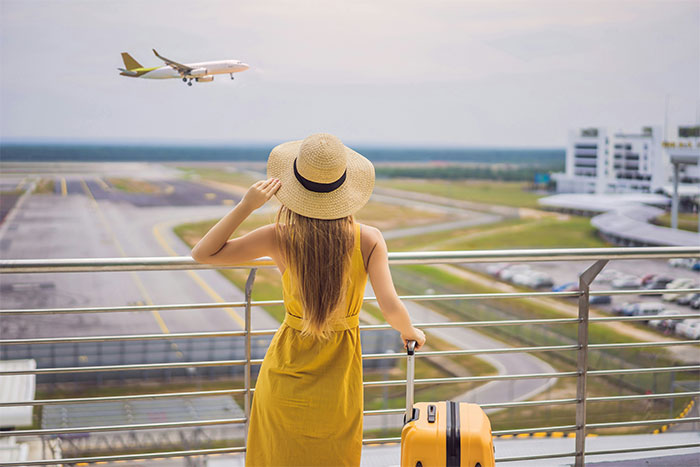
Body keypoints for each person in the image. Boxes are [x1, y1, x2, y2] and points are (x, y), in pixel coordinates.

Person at [191, 133, 426, 466]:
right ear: (346, 191)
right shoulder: (369, 239)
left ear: (293, 187)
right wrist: (411, 333)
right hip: (339, 379)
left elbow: (203, 253)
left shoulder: (280, 236)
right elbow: (390, 306)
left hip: (285, 373)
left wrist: (247, 205)